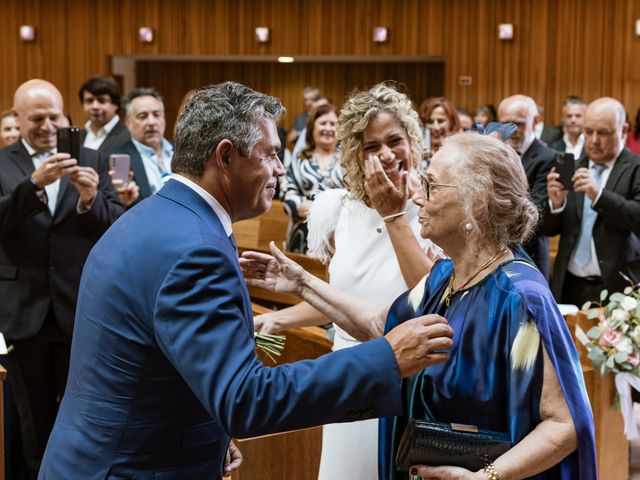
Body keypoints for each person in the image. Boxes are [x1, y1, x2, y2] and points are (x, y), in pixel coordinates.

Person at [38, 81, 455, 480]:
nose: (279, 169)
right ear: (225, 157)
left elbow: (154, 361)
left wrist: (212, 434)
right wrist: (386, 358)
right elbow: (245, 399)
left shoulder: (152, 217)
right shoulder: (195, 249)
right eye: (270, 154)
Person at [243, 132, 597, 480]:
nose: (416, 197)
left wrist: (487, 476)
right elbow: (381, 326)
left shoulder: (519, 297)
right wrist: (301, 283)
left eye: (430, 185)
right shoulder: (444, 277)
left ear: (479, 202)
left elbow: (566, 424)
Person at [257, 83, 439, 480]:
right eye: (372, 147)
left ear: (413, 139)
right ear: (356, 155)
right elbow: (337, 299)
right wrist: (277, 321)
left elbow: (432, 298)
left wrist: (396, 216)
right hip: (347, 370)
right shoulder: (336, 210)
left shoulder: (433, 210)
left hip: (407, 374)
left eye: (395, 141)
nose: (387, 155)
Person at [0, 79, 125, 479]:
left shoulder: (93, 156)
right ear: (17, 119)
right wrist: (33, 185)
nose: (48, 125)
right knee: (32, 419)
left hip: (80, 307)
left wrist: (90, 199)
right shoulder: (3, 163)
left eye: (55, 116)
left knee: (86, 413)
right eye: (37, 118)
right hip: (25, 308)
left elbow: (118, 228)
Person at [542, 97, 640, 307]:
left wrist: (599, 195)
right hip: (569, 285)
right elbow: (549, 229)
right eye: (588, 132)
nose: (594, 140)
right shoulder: (573, 167)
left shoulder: (635, 168)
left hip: (618, 287)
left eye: (603, 132)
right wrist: (555, 205)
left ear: (623, 130)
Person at [498, 94, 555, 280]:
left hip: (530, 254)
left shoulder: (548, 158)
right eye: (505, 123)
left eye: (519, 123)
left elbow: (536, 211)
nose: (511, 130)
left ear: (536, 121)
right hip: (493, 254)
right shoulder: (495, 154)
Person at [283, 103, 342, 252]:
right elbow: (287, 193)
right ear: (312, 128)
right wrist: (317, 211)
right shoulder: (300, 158)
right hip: (302, 238)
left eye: (333, 124)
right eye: (323, 123)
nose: (328, 128)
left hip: (341, 237)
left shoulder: (350, 159)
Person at [106, 87, 172, 202]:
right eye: (143, 116)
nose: (151, 122)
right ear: (128, 123)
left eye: (156, 115)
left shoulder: (181, 151)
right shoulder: (118, 159)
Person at [78, 76, 131, 151]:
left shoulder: (129, 137)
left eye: (101, 100)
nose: (95, 106)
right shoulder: (78, 136)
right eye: (89, 101)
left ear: (116, 104)